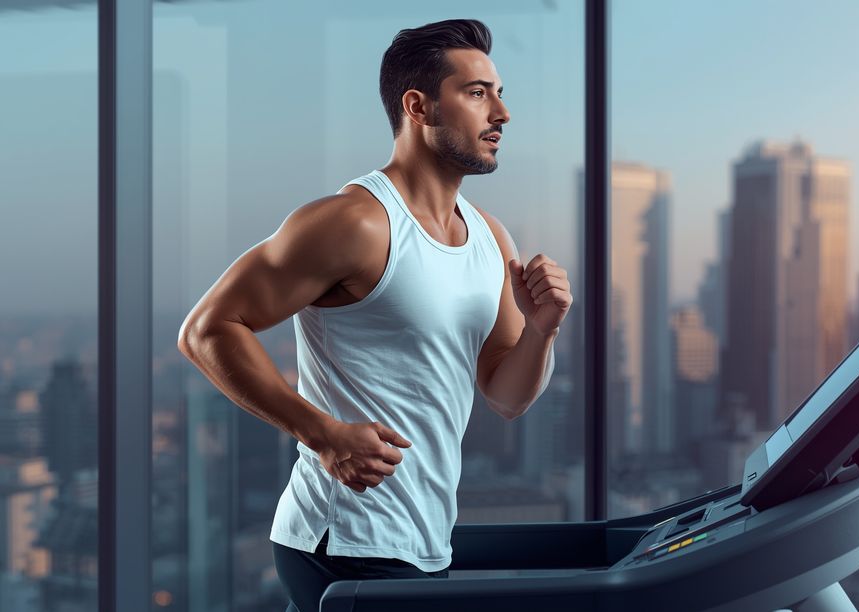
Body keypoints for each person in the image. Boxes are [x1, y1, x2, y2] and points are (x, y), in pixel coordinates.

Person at [176, 18, 572, 612]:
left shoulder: (492, 238)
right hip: (342, 539)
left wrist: (542, 330)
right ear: (419, 106)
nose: (502, 113)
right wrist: (323, 435)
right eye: (476, 92)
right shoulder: (353, 223)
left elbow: (507, 397)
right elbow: (206, 330)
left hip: (424, 541)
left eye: (500, 92)